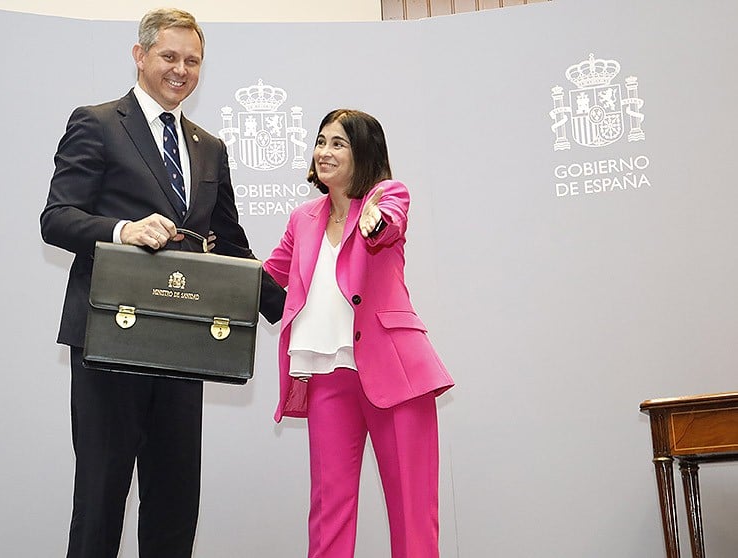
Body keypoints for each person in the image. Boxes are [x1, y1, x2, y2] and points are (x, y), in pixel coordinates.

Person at [40, 8, 283, 558]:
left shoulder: (209, 147)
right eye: (169, 57)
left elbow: (231, 245)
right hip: (109, 341)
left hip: (183, 343)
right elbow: (56, 218)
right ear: (140, 55)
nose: (180, 70)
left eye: (192, 60)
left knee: (175, 506)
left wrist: (288, 308)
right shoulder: (97, 122)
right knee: (100, 499)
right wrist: (124, 230)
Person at [262, 109, 455, 558]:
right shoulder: (303, 218)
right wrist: (204, 265)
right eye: (321, 141)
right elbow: (269, 277)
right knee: (329, 511)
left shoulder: (387, 196)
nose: (324, 152)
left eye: (339, 143)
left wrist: (375, 222)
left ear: (363, 152)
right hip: (328, 376)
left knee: (412, 510)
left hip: (396, 375)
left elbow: (389, 220)